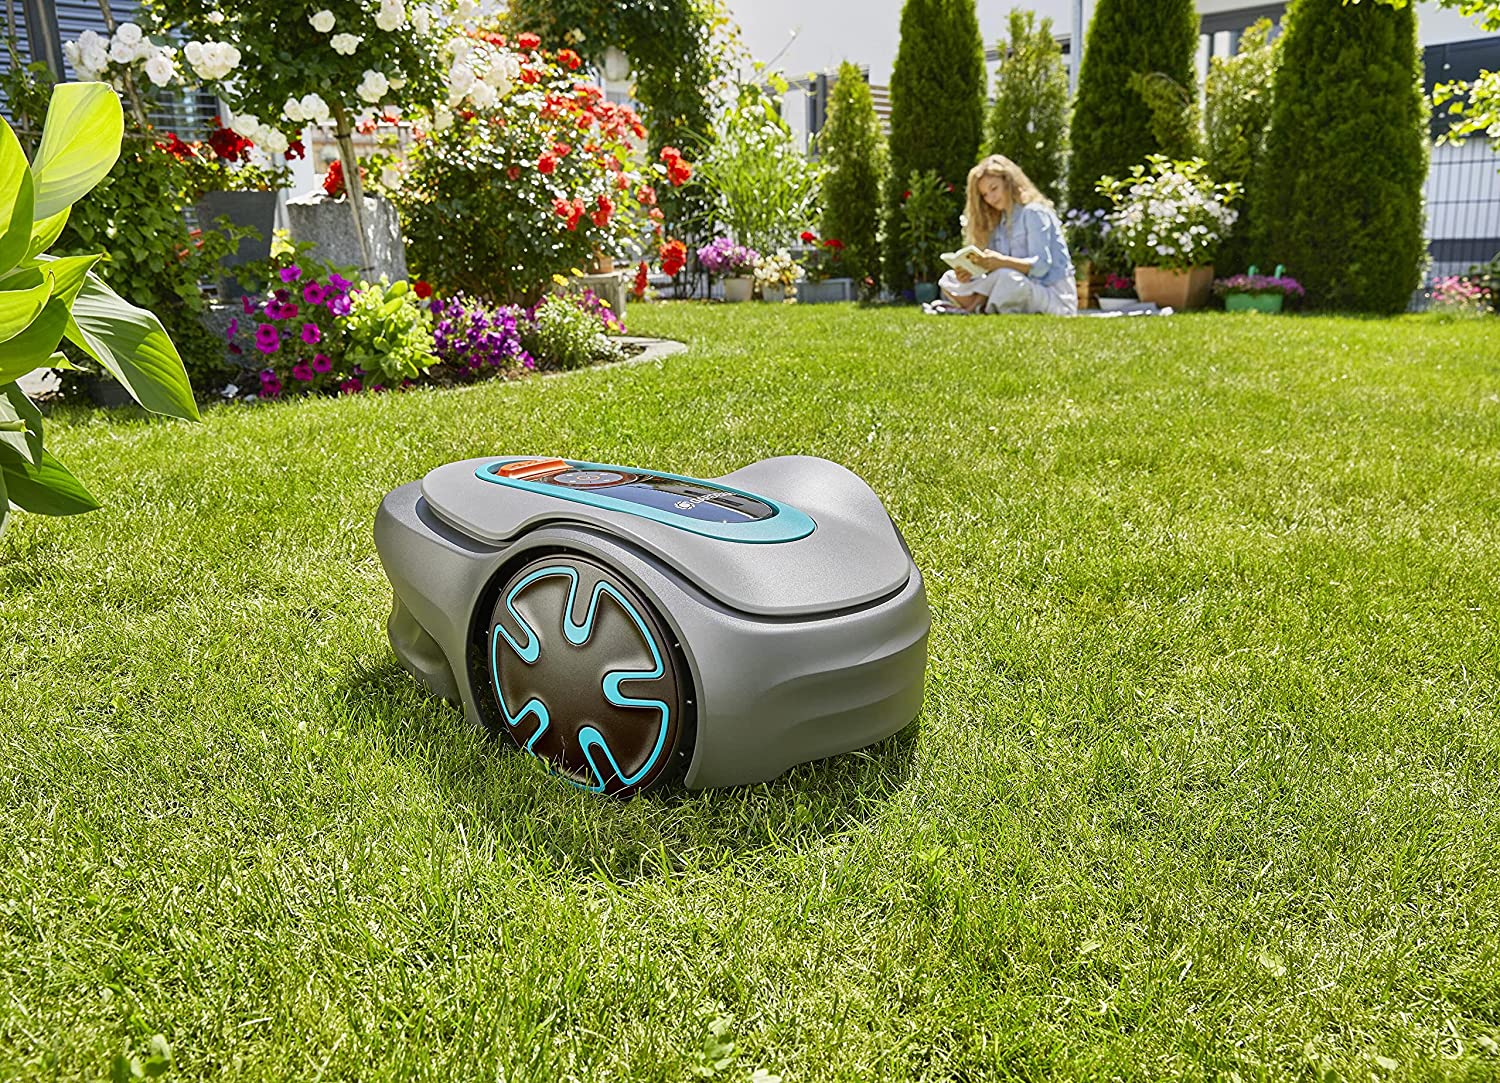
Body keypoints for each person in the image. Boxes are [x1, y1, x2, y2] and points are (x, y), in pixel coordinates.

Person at [931, 155, 1077, 316]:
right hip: (1016, 287)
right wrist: (969, 274)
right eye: (985, 195)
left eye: (994, 189)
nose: (991, 198)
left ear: (1009, 182)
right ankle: (975, 307)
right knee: (949, 278)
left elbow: (1041, 266)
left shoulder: (1034, 212)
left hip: (1052, 294)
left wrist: (1001, 262)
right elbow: (992, 273)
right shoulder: (999, 223)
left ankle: (972, 308)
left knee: (1007, 278)